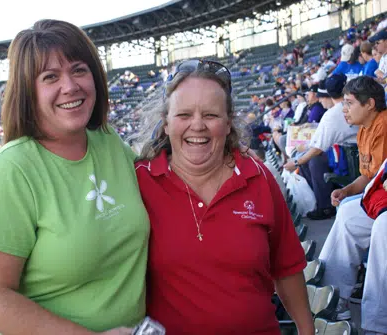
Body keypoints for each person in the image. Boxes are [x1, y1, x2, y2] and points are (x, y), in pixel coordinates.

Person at [0, 19, 150, 335]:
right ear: (28, 91)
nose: (70, 85)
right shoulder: (8, 172)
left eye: (79, 69)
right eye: (50, 77)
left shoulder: (110, 143)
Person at [135, 59, 314, 335]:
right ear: (166, 123)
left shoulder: (257, 177)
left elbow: (287, 267)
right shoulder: (139, 182)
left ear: (228, 123)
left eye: (210, 115)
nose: (197, 125)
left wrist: (307, 330)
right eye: (184, 115)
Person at [319, 76, 387, 334]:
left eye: (349, 103)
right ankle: (332, 297)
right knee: (348, 211)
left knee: (383, 226)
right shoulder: (363, 129)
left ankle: (378, 322)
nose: (344, 109)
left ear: (370, 104)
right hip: (379, 198)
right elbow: (370, 175)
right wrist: (347, 190)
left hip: (383, 206)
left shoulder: (384, 124)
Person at [283, 74, 358, 220]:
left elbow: (317, 147)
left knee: (314, 160)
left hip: (353, 162)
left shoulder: (334, 113)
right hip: (356, 155)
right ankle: (322, 201)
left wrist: (297, 162)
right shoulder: (353, 104)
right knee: (311, 159)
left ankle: (324, 206)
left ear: (328, 95)